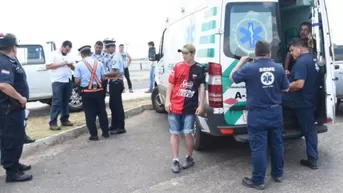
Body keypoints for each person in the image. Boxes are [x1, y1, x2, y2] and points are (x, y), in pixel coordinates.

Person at [229, 40, 289, 190]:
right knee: (277, 143)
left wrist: (241, 62)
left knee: (259, 148)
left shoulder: (249, 68)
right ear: (269, 53)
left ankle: (258, 180)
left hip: (257, 114)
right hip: (275, 112)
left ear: (256, 53)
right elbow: (286, 89)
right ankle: (278, 174)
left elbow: (232, 77)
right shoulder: (279, 68)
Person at [165, 44, 205, 174]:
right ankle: (175, 160)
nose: (184, 55)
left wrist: (201, 105)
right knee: (175, 133)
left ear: (193, 54)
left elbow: (201, 87)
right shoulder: (177, 66)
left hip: (190, 107)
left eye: (186, 53)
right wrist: (167, 101)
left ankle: (189, 157)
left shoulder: (199, 68)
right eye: (183, 53)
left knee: (188, 133)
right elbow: (170, 84)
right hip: (174, 106)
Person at [282, 37, 320, 169]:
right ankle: (313, 159)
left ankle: (278, 130)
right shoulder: (313, 58)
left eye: (292, 50)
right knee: (310, 130)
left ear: (300, 48)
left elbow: (299, 84)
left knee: (274, 100)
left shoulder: (301, 62)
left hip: (300, 100)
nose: (291, 53)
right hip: (310, 100)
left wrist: (285, 87)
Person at [0, 33, 33, 182]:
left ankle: (15, 163)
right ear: (13, 47)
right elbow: (4, 85)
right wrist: (20, 98)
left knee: (17, 138)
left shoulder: (10, 60)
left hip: (14, 108)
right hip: (9, 109)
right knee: (10, 139)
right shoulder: (4, 62)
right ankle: (11, 172)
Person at [74, 45, 110, 141]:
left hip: (87, 92)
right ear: (91, 53)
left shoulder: (79, 65)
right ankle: (105, 133)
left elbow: (77, 80)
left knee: (89, 114)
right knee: (102, 112)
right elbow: (103, 78)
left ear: (81, 55)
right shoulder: (99, 63)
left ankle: (94, 135)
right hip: (98, 91)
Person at [46, 41, 75, 131]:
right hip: (57, 81)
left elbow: (74, 68)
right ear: (62, 46)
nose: (67, 51)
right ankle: (53, 122)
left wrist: (70, 65)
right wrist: (61, 64)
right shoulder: (54, 54)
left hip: (67, 80)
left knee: (66, 101)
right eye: (66, 49)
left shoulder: (70, 56)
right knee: (57, 101)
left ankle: (65, 119)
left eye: (69, 50)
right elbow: (48, 66)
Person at [104, 40, 126, 134]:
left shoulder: (115, 57)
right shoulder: (113, 56)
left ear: (112, 47)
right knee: (113, 105)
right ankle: (114, 125)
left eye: (107, 47)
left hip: (116, 82)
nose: (107, 49)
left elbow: (116, 71)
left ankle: (120, 127)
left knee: (117, 106)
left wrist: (105, 74)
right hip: (114, 82)